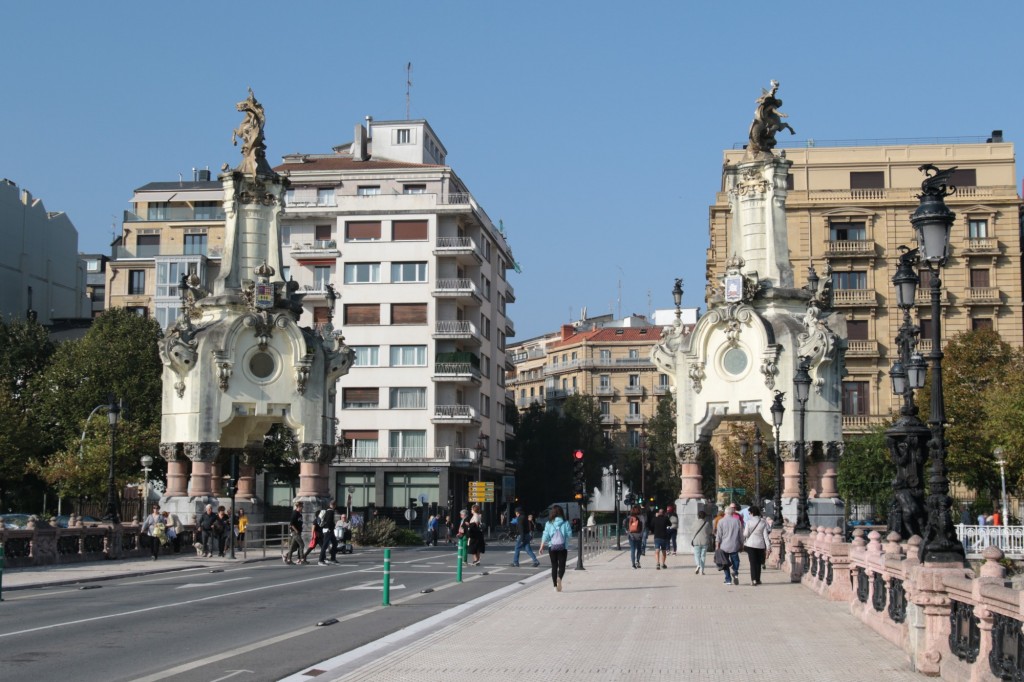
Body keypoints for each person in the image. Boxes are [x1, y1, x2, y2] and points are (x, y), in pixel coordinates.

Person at [538, 504, 572, 592]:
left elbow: (545, 535)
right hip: (563, 547)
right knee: (562, 565)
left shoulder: (548, 523)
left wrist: (541, 546)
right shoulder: (565, 523)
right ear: (561, 513)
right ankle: (559, 578)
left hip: (552, 547)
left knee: (554, 566)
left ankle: (554, 586)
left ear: (552, 513)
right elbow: (569, 535)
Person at [742, 505, 771, 586]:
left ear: (752, 513)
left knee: (752, 563)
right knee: (758, 562)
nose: (749, 514)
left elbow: (746, 534)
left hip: (751, 545)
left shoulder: (749, 522)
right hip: (760, 545)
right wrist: (768, 546)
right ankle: (758, 579)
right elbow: (765, 536)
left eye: (749, 513)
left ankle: (753, 579)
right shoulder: (763, 522)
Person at [715, 502, 743, 585]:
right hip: (735, 545)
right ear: (733, 513)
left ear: (725, 513)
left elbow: (719, 535)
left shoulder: (721, 521)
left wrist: (717, 545)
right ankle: (735, 571)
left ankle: (728, 580)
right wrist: (742, 544)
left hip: (724, 546)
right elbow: (741, 534)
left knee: (725, 562)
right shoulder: (737, 521)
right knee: (736, 560)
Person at [689, 509, 712, 575]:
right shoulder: (707, 523)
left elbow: (691, 531)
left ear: (698, 516)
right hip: (705, 541)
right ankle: (702, 570)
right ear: (705, 516)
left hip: (696, 541)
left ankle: (698, 565)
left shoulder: (694, 523)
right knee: (703, 556)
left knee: (697, 555)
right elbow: (710, 532)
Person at [625, 505, 646, 569]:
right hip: (639, 535)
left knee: (632, 550)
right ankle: (637, 561)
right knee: (639, 549)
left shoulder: (629, 517)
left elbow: (624, 524)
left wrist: (628, 532)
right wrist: (641, 534)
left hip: (631, 536)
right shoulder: (641, 517)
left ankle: (633, 564)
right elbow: (643, 526)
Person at [319, 500, 338, 565]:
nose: (334, 506)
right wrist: (330, 528)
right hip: (328, 530)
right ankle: (321, 560)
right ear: (334, 505)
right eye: (334, 505)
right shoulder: (330, 512)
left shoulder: (327, 511)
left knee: (335, 543)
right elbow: (329, 521)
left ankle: (333, 558)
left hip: (328, 530)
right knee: (324, 545)